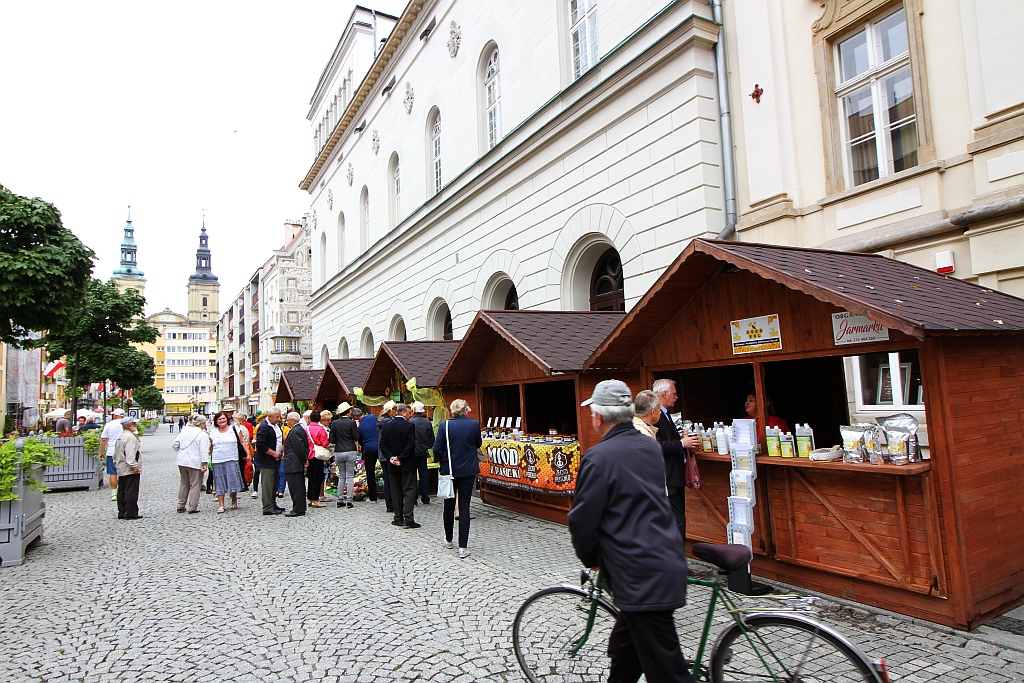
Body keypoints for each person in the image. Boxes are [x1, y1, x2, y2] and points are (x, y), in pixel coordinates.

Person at [568, 380, 692, 683]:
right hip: (662, 560)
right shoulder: (649, 446)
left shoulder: (598, 457)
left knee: (668, 672)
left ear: (598, 417)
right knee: (624, 652)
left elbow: (582, 521)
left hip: (640, 577)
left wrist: (591, 558)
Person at [651, 379, 700, 544]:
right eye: (674, 393)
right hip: (667, 477)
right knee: (676, 521)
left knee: (677, 520)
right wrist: (681, 443)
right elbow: (655, 445)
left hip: (674, 476)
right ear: (664, 394)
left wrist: (685, 444)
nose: (676, 397)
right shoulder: (655, 415)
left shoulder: (665, 414)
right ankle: (677, 565)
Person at [432, 399, 482, 558]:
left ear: (452, 411)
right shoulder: (474, 425)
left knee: (448, 505)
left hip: (449, 469)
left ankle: (448, 540)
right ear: (465, 409)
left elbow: (436, 448)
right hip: (467, 470)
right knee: (465, 507)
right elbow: (478, 443)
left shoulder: (445, 426)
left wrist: (441, 461)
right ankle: (462, 548)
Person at [380, 403, 418, 528]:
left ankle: (398, 517)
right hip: (407, 463)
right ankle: (408, 519)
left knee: (396, 491)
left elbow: (382, 444)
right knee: (409, 490)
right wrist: (400, 457)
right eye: (409, 412)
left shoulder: (386, 426)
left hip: (392, 463)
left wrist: (391, 457)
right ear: (403, 412)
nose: (410, 415)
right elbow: (410, 444)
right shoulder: (409, 426)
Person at [172, 414, 211, 513]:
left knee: (184, 483)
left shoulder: (185, 431)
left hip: (182, 460)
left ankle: (181, 504)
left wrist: (181, 451)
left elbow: (175, 444)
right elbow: (203, 450)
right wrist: (204, 463)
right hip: (195, 461)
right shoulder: (203, 434)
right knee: (195, 484)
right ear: (202, 424)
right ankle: (193, 507)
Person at [209, 411, 245, 514]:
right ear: (216, 421)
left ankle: (234, 500)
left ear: (227, 419)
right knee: (219, 482)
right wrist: (210, 459)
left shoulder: (234, 429)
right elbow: (211, 446)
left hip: (231, 458)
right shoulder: (213, 432)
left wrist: (247, 454)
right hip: (217, 459)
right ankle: (221, 505)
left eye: (223, 418)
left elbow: (242, 442)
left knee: (232, 480)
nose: (222, 420)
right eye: (219, 419)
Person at [254, 407, 284, 515]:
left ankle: (273, 503)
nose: (279, 419)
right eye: (277, 417)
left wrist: (282, 451)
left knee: (274, 483)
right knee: (267, 484)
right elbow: (260, 445)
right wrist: (273, 453)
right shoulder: (264, 427)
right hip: (266, 460)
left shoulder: (276, 426)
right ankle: (267, 506)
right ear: (270, 416)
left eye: (279, 416)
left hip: (276, 459)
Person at [330, 402, 360, 508]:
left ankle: (339, 499)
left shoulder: (334, 423)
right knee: (350, 476)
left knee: (342, 476)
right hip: (350, 450)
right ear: (348, 411)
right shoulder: (351, 423)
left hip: (339, 451)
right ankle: (349, 499)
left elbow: (332, 439)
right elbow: (356, 437)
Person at [113, 415, 143, 520]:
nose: (135, 426)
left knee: (122, 490)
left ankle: (122, 511)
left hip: (121, 466)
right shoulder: (130, 438)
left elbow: (115, 453)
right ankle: (130, 512)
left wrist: (115, 462)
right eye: (134, 424)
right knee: (131, 490)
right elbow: (130, 455)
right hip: (129, 468)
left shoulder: (120, 436)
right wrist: (134, 466)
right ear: (129, 426)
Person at [281, 412, 308, 517]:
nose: (286, 422)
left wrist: (303, 459)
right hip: (295, 462)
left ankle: (298, 508)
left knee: (296, 487)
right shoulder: (297, 429)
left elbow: (299, 448)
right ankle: (298, 507)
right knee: (297, 486)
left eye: (287, 420)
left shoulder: (295, 430)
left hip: (294, 463)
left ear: (293, 420)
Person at [410, 401, 435, 505]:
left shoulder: (410, 422)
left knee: (412, 475)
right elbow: (431, 439)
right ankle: (425, 497)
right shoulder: (427, 422)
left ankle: (414, 498)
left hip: (412, 452)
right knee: (424, 474)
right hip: (423, 451)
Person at [100, 408, 126, 501]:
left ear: (115, 415)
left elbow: (103, 439)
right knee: (125, 472)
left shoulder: (109, 424)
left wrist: (101, 451)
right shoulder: (126, 424)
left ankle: (114, 493)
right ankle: (124, 492)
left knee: (113, 473)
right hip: (124, 451)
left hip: (111, 451)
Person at [305, 410, 330, 508]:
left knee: (311, 477)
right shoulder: (320, 429)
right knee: (318, 477)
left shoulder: (306, 428)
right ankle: (316, 499)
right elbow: (324, 443)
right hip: (317, 455)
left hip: (309, 454)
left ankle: (310, 498)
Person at [376, 400, 397, 513]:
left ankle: (389, 503)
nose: (395, 412)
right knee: (391, 480)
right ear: (390, 411)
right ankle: (392, 503)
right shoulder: (389, 423)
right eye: (394, 410)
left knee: (387, 480)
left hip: (382, 454)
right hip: (389, 455)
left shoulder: (380, 422)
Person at [356, 408, 380, 504]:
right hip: (380, 447)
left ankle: (373, 497)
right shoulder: (373, 417)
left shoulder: (360, 428)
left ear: (356, 417)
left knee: (370, 473)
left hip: (369, 449)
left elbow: (360, 441)